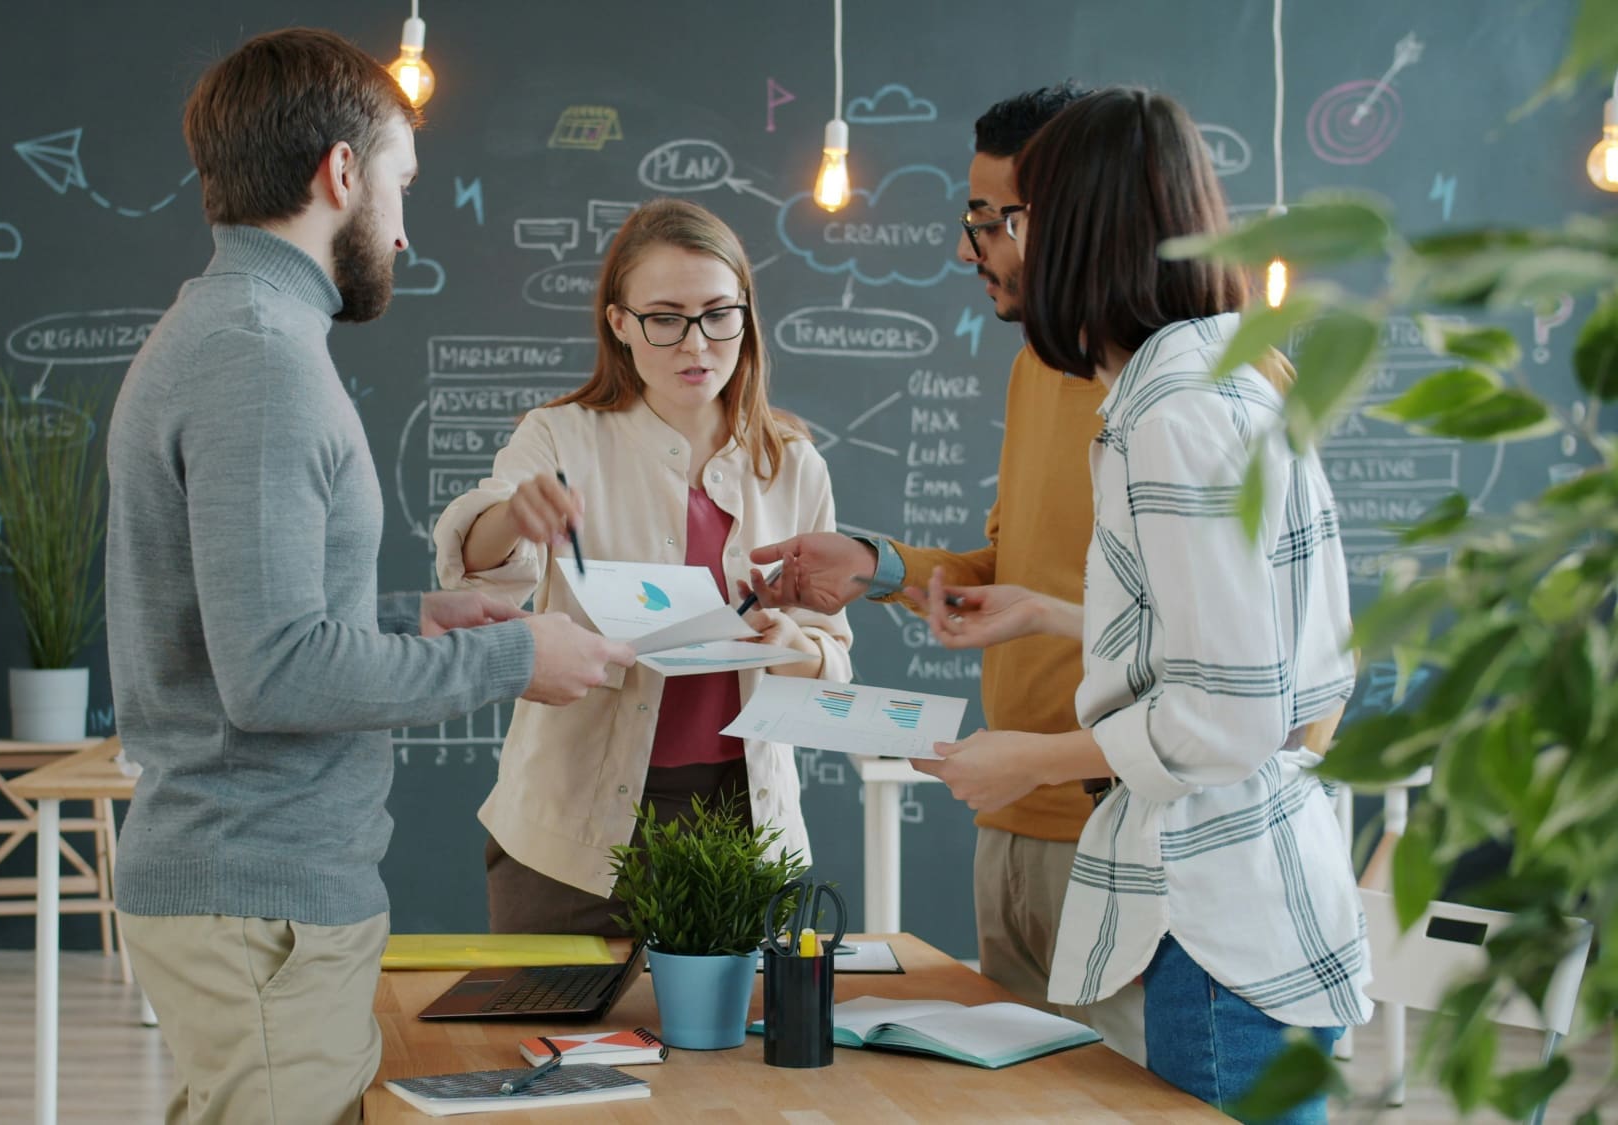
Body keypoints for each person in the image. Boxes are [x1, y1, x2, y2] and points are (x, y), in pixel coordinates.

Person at [104, 28, 632, 1125]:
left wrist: (414, 617)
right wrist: (512, 654)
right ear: (339, 173)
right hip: (258, 898)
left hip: (249, 898)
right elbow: (275, 678)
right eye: (398, 185)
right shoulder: (259, 357)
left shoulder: (235, 332)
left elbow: (246, 626)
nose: (402, 226)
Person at [909, 87, 1368, 1123]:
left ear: (1078, 228)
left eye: (1016, 219)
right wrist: (1057, 618)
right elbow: (1250, 663)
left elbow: (1226, 714)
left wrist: (1022, 757)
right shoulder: (1219, 376)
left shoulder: (1171, 413)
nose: (990, 245)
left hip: (1210, 928)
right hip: (1248, 916)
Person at [432, 198, 854, 934]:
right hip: (572, 827)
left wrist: (796, 649)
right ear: (619, 322)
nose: (696, 344)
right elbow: (480, 564)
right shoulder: (559, 435)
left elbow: (833, 664)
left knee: (733, 1050)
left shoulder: (794, 465)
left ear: (747, 316)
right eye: (665, 317)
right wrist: (515, 515)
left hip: (743, 824)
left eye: (719, 314)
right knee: (555, 1042)